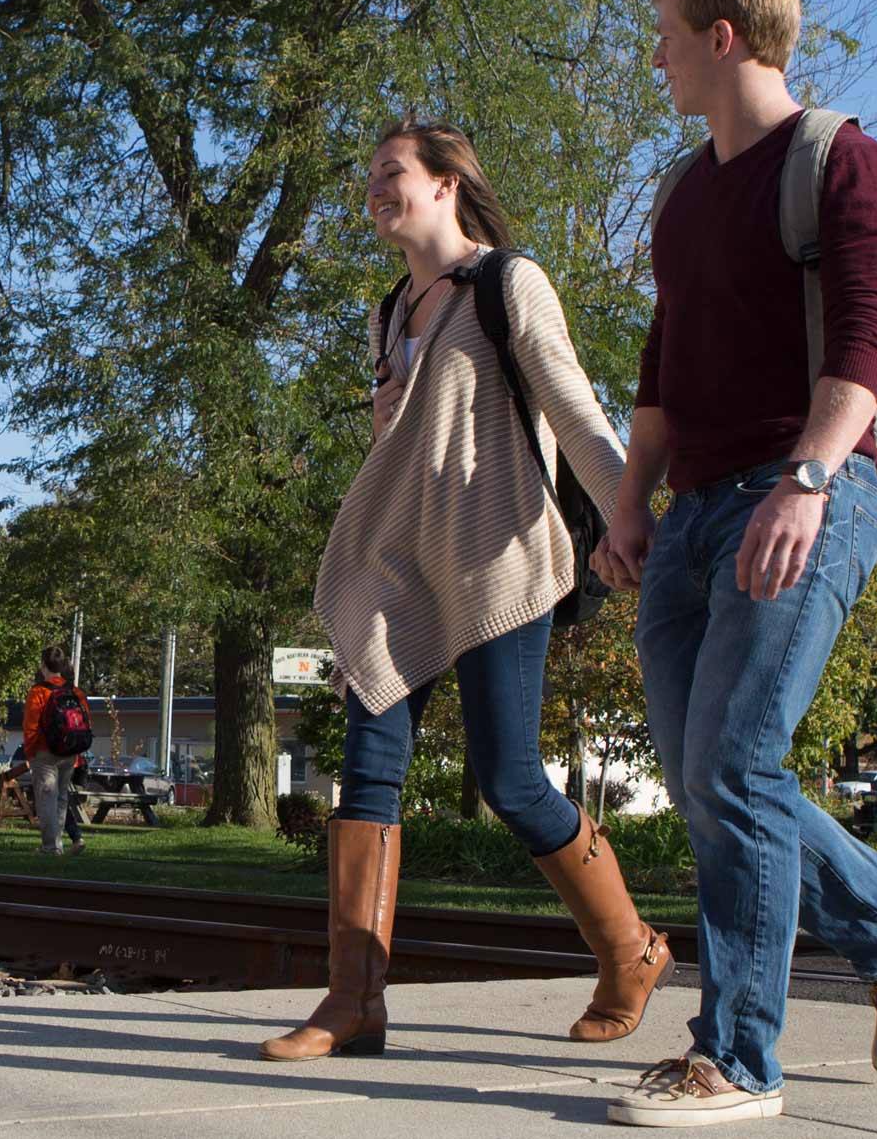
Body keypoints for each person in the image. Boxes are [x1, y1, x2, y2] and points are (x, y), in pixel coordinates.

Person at [595, 0, 877, 1126]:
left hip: (799, 492)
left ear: (722, 37)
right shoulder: (682, 189)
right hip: (692, 511)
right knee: (707, 783)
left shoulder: (846, 164)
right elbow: (660, 365)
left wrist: (806, 480)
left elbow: (869, 340)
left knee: (732, 766)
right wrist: (627, 498)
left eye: (663, 31)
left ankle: (736, 1057)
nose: (651, 54)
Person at [265, 119, 662, 1063]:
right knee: (368, 770)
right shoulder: (388, 308)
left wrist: (629, 515)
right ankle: (353, 1000)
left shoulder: (506, 283)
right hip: (395, 571)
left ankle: (630, 948)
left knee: (511, 779)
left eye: (392, 172)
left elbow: (572, 409)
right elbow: (399, 451)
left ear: (447, 184)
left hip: (491, 562)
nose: (375, 187)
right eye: (370, 176)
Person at [18, 645, 89, 856]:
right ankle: (57, 843)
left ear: (43, 666)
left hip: (44, 752)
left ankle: (50, 847)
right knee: (61, 798)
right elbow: (86, 723)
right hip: (69, 753)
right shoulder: (76, 692)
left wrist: (30, 753)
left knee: (46, 797)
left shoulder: (38, 692)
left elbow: (30, 726)